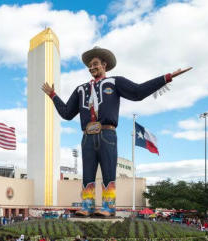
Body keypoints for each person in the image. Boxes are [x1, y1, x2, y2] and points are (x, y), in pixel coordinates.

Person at [43, 46, 190, 217]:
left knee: (108, 171)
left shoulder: (114, 82)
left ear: (104, 64)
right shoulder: (81, 89)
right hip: (87, 137)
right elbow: (67, 113)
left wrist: (166, 77)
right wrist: (53, 95)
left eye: (95, 64)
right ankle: (88, 205)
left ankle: (108, 206)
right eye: (89, 65)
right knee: (87, 173)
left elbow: (138, 92)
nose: (92, 67)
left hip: (107, 134)